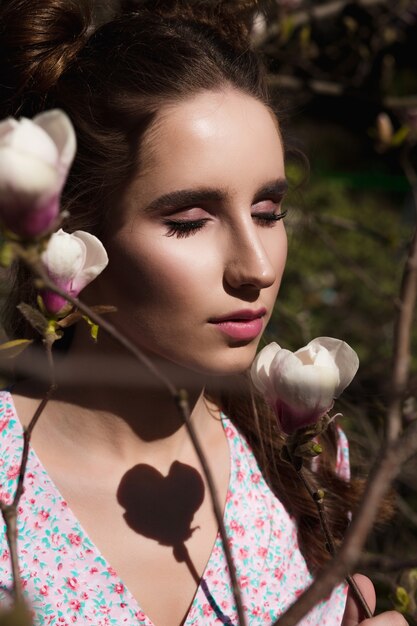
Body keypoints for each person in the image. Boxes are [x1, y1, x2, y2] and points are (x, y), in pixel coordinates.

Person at [0, 1, 408, 624]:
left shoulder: (301, 458)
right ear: (70, 227)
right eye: (189, 222)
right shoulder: (11, 484)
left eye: (269, 213)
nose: (257, 266)